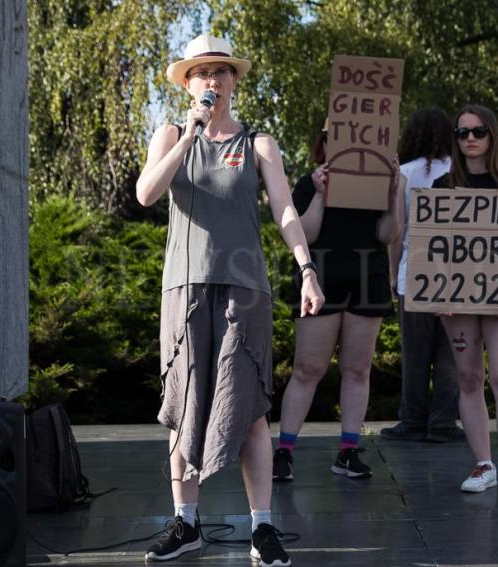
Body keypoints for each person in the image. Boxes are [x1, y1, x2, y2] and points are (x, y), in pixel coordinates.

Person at [135, 33, 325, 566]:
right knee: (183, 408)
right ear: (187, 83)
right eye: (202, 72)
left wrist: (306, 269)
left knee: (249, 411)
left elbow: (285, 211)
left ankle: (262, 528)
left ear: (235, 81)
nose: (212, 80)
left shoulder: (259, 142)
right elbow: (147, 193)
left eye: (222, 71)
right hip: (185, 288)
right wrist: (189, 136)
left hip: (245, 290)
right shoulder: (171, 132)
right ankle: (186, 522)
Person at [272, 122, 401, 481]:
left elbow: (388, 234)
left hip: (367, 280)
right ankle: (283, 452)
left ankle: (348, 451)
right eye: (332, 136)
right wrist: (317, 193)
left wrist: (394, 191)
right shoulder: (306, 183)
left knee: (357, 370)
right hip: (321, 276)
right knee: (308, 369)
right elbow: (306, 233)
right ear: (324, 142)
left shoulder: (380, 185)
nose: (343, 143)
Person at [432, 104, 498, 505]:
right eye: (461, 133)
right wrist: (438, 291)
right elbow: (431, 246)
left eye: (477, 131)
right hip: (456, 300)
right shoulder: (442, 186)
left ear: (492, 135)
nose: (470, 138)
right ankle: (484, 465)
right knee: (469, 379)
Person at [380, 107, 464, 444]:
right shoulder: (462, 172)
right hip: (460, 277)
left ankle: (412, 420)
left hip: (413, 272)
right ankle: (444, 423)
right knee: (450, 355)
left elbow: (397, 232)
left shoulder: (403, 173)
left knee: (414, 353)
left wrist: (391, 275)